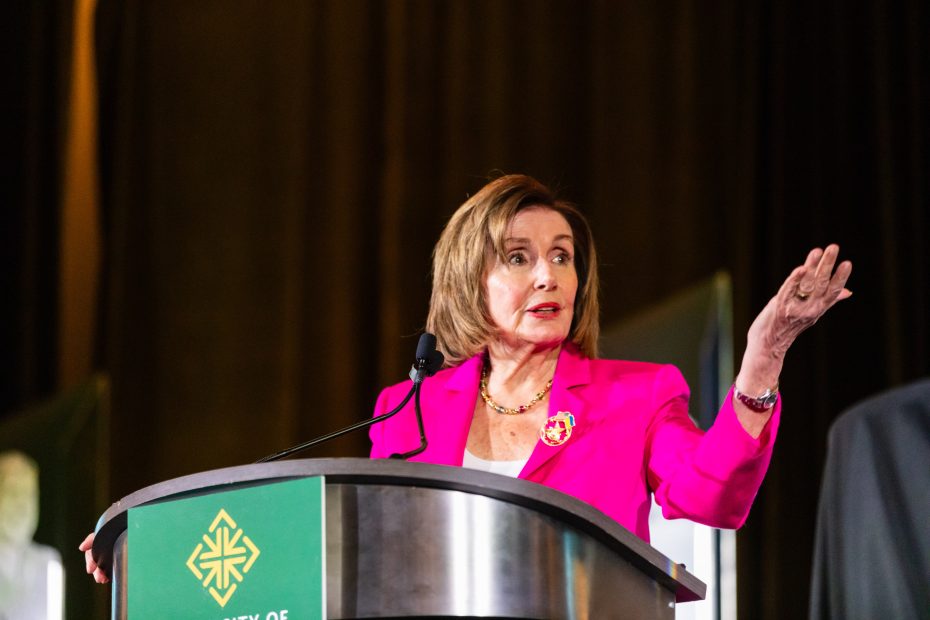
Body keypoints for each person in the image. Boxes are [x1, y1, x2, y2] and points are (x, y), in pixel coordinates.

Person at [370, 173, 852, 541]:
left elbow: (711, 495)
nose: (548, 276)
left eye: (562, 256)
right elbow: (380, 549)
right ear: (468, 282)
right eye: (519, 258)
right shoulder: (406, 410)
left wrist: (763, 359)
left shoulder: (638, 397)